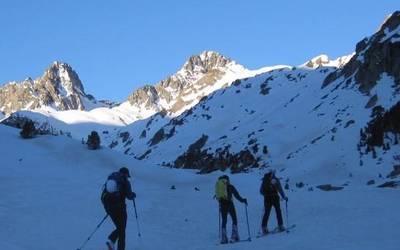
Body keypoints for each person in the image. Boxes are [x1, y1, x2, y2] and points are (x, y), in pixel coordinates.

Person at [101, 167, 136, 250]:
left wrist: (108, 208)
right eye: (127, 175)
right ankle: (113, 241)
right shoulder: (125, 182)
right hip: (120, 209)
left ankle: (111, 240)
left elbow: (104, 194)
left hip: (109, 207)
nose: (127, 177)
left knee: (120, 228)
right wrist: (133, 195)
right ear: (126, 174)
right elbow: (129, 196)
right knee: (122, 231)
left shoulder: (111, 179)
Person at [215, 175, 247, 244]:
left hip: (222, 205)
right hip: (230, 204)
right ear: (227, 180)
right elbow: (236, 195)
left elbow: (218, 196)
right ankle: (234, 236)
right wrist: (243, 200)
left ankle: (224, 238)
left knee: (224, 220)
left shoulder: (220, 187)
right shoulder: (230, 186)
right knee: (234, 219)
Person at [260, 169, 288, 234]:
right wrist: (284, 197)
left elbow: (261, 191)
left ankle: (264, 228)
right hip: (275, 197)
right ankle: (280, 225)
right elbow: (280, 189)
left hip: (267, 198)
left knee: (267, 212)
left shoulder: (265, 180)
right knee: (278, 211)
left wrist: (266, 194)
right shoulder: (276, 180)